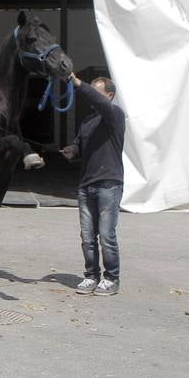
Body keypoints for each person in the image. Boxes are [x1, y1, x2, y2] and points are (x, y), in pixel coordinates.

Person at [60, 75, 126, 295]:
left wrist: (78, 83)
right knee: (87, 237)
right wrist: (72, 150)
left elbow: (100, 103)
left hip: (109, 183)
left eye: (97, 92)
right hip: (86, 185)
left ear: (109, 96)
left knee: (106, 235)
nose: (93, 96)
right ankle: (91, 276)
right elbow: (79, 146)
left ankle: (111, 278)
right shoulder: (87, 122)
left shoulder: (114, 114)